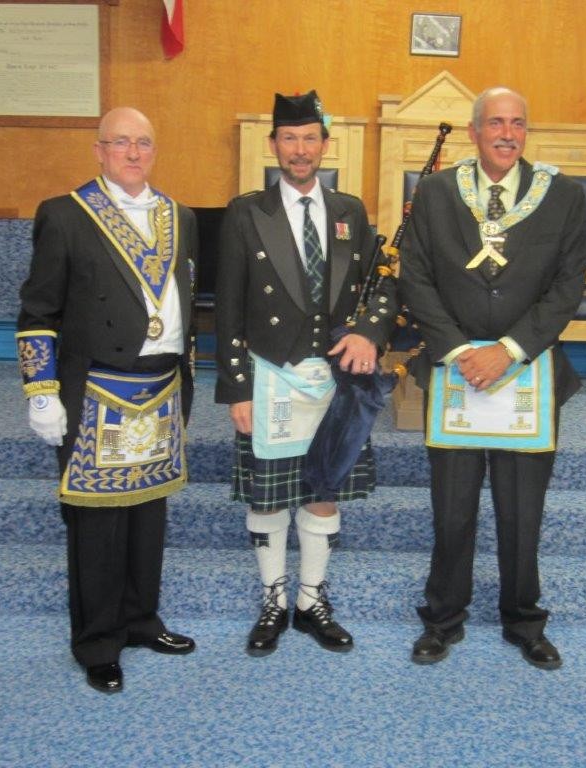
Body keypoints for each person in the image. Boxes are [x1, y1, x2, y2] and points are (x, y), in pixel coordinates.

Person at [399, 87, 586, 668]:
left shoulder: (562, 194)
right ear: (474, 131)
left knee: (520, 510)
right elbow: (416, 276)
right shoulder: (434, 192)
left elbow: (569, 285)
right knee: (452, 509)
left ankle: (524, 621)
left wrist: (509, 350)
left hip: (526, 374)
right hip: (456, 373)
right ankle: (442, 619)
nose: (507, 134)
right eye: (496, 123)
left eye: (518, 124)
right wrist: (459, 350)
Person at [17, 107, 198, 694]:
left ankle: (141, 619)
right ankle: (98, 641)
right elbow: (38, 313)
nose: (133, 152)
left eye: (143, 142)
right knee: (96, 526)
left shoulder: (181, 216)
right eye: (120, 142)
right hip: (96, 389)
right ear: (98, 150)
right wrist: (42, 392)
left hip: (161, 387)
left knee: (149, 515)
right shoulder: (65, 215)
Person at [214, 90, 398, 656]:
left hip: (333, 379)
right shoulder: (247, 213)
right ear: (274, 145)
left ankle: (310, 599)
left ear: (325, 144)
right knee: (268, 497)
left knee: (323, 490)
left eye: (309, 138)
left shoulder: (350, 211)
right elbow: (227, 307)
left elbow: (383, 280)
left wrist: (370, 330)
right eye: (289, 138)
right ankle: (273, 598)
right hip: (270, 374)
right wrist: (236, 388)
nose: (300, 149)